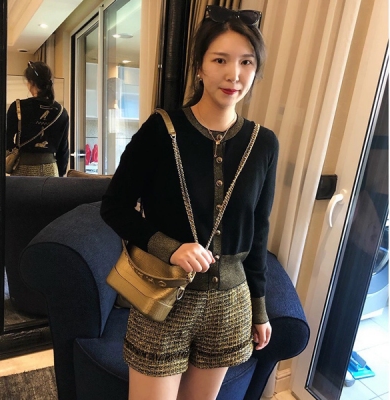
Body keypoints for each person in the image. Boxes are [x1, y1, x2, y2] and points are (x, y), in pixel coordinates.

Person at [101, 5, 279, 400]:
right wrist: (171, 247)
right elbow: (113, 207)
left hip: (230, 305)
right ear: (199, 67)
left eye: (246, 62)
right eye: (220, 60)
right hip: (164, 298)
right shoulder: (160, 131)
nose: (234, 74)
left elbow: (259, 230)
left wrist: (260, 308)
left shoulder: (264, 143)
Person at [6, 61, 69, 177]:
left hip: (23, 167)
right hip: (51, 169)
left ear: (31, 82)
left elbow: (6, 138)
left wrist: (13, 155)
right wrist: (59, 176)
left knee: (21, 190)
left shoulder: (18, 107)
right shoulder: (61, 112)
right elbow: (63, 150)